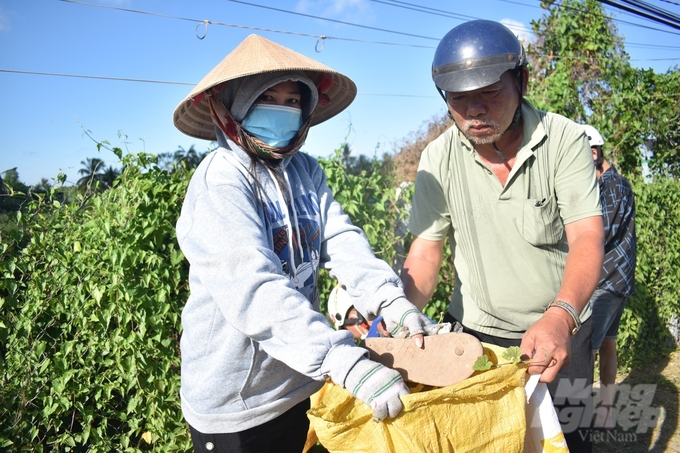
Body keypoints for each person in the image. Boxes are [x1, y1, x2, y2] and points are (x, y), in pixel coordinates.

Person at [172, 34, 430, 453]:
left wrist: (390, 301)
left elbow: (341, 239)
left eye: (293, 101)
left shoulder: (304, 171)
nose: (283, 110)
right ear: (235, 108)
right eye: (267, 98)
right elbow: (254, 290)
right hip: (240, 402)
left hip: (300, 376)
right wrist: (343, 361)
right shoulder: (221, 180)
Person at [401, 20, 604, 452]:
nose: (475, 111)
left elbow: (587, 234)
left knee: (568, 440)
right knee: (492, 442)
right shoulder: (437, 159)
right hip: (478, 340)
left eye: (490, 93)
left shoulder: (563, 139)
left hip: (562, 331)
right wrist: (397, 314)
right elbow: (425, 253)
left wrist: (560, 316)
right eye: (459, 98)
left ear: (522, 80)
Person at [583, 125, 637, 429]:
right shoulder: (610, 184)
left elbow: (599, 234)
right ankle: (604, 412)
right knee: (608, 344)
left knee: (586, 347)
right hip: (615, 278)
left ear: (593, 153)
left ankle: (583, 414)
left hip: (607, 280)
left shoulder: (613, 186)